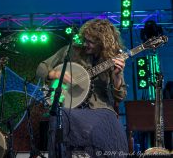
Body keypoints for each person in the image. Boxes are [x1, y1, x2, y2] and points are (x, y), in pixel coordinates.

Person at [36, 19, 128, 157]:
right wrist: (54, 74)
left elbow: (119, 96)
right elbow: (41, 68)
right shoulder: (72, 50)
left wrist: (117, 77)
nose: (86, 44)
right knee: (58, 117)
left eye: (90, 42)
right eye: (85, 39)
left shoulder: (113, 58)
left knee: (109, 129)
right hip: (72, 109)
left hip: (101, 110)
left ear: (103, 43)